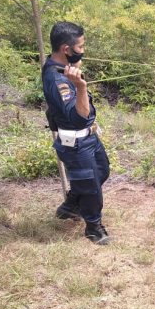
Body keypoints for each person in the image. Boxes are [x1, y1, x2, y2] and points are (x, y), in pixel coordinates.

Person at [42, 22, 110, 245]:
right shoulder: (56, 79)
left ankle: (70, 205)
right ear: (65, 49)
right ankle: (93, 228)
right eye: (80, 47)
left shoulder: (62, 69)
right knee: (91, 188)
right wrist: (81, 87)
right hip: (77, 143)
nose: (83, 50)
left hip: (89, 137)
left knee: (102, 171)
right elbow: (79, 115)